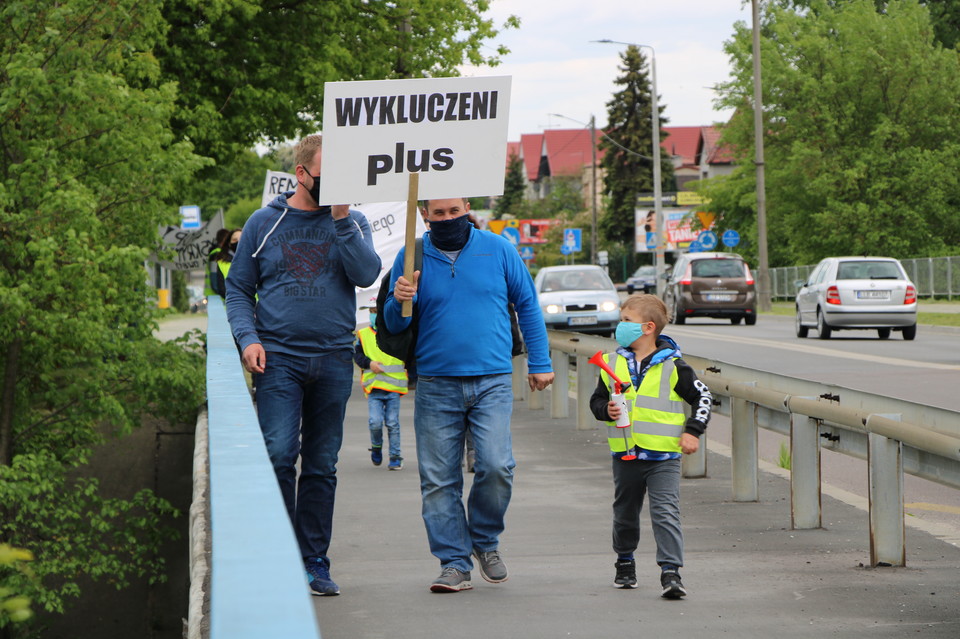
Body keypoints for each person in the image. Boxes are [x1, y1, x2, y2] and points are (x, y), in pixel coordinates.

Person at [225, 134, 381, 597]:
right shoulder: (263, 223)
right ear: (302, 174)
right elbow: (237, 290)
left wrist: (340, 221)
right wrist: (247, 338)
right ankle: (277, 554)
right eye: (328, 174)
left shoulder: (353, 221)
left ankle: (314, 560)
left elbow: (367, 274)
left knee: (321, 464)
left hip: (333, 358)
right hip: (279, 359)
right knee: (277, 453)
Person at [385, 197, 555, 593]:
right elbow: (392, 325)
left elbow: (527, 304)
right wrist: (399, 299)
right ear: (424, 213)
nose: (448, 219)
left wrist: (540, 361)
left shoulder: (498, 248)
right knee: (438, 480)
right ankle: (454, 563)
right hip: (435, 382)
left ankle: (484, 540)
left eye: (454, 210)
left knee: (497, 466)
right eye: (439, 213)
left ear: (466, 207)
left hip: (492, 379)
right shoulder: (411, 256)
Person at [589, 293, 711, 598]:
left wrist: (693, 431)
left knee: (666, 511)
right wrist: (606, 410)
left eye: (626, 320)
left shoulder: (674, 366)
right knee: (625, 512)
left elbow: (703, 398)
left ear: (648, 327)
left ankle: (671, 573)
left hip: (664, 457)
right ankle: (625, 560)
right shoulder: (613, 362)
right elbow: (597, 400)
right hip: (626, 455)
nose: (620, 325)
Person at [354, 305, 407, 470]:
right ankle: (376, 447)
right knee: (375, 422)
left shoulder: (396, 333)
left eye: (376, 311)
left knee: (392, 423)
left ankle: (395, 456)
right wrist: (369, 364)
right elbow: (357, 355)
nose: (374, 315)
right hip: (374, 388)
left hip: (393, 388)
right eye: (371, 312)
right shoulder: (363, 335)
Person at [209, 228, 242, 298]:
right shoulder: (220, 260)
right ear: (229, 243)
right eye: (235, 240)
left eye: (241, 239)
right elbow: (218, 286)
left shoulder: (256, 260)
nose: (238, 242)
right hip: (232, 304)